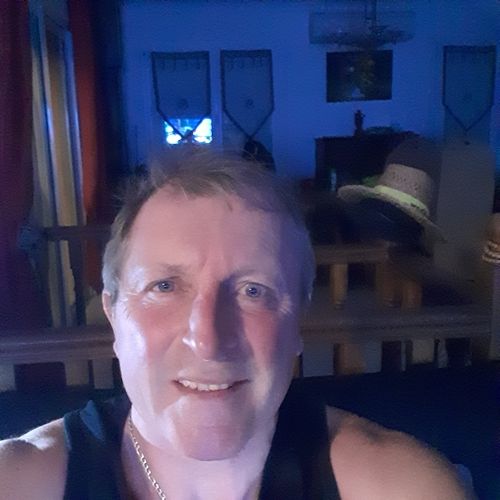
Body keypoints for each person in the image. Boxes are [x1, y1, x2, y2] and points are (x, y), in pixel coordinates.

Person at [0, 148, 471, 499]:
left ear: (298, 322)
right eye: (164, 286)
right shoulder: (19, 481)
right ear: (113, 315)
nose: (207, 340)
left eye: (253, 291)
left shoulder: (400, 487)